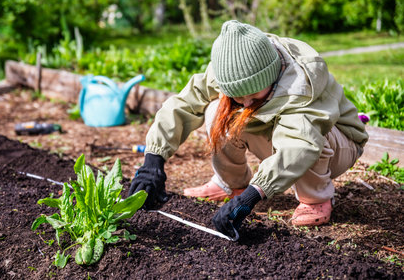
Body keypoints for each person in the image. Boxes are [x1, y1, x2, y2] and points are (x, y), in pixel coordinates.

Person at [128, 20, 368, 240]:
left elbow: (300, 146)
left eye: (253, 94)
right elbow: (182, 105)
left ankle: (316, 198)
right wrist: (154, 159)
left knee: (308, 133)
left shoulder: (300, 86)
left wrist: (255, 193)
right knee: (217, 111)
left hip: (338, 143)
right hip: (288, 136)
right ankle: (232, 184)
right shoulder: (230, 69)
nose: (245, 102)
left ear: (271, 76)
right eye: (238, 96)